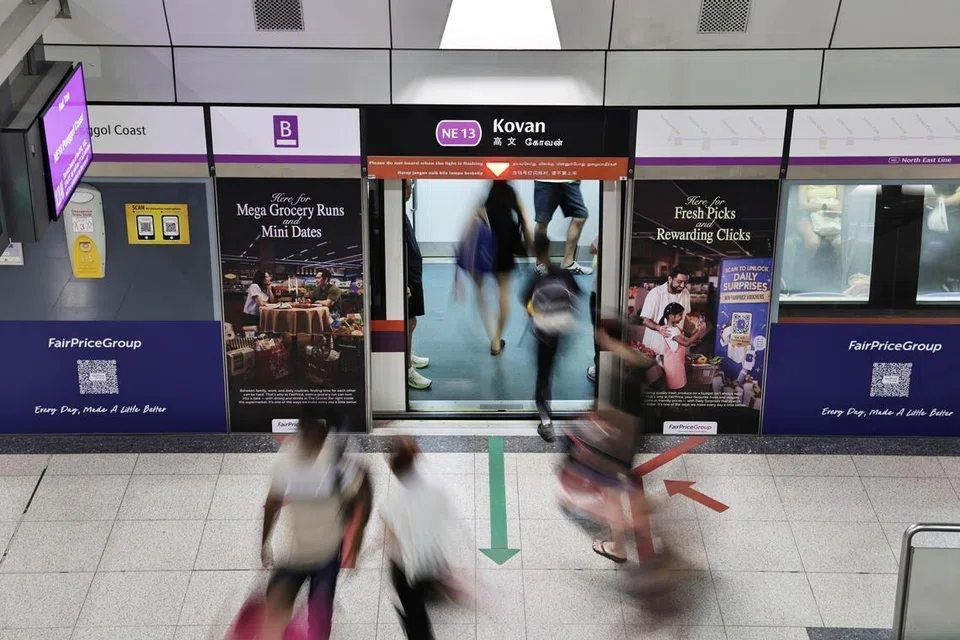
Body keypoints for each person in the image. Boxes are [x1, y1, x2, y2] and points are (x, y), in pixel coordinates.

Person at [259, 406, 372, 640]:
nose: (314, 442)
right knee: (275, 606)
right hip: (296, 553)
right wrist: (265, 543)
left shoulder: (336, 463)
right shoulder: (287, 464)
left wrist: (357, 540)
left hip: (327, 553)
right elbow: (271, 503)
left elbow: (364, 490)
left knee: (319, 619)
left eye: (318, 436)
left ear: (324, 434)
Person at [381, 437, 455, 640]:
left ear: (392, 468)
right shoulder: (435, 491)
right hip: (431, 560)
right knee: (421, 604)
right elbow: (445, 521)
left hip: (407, 571)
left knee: (415, 621)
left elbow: (390, 539)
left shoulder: (392, 502)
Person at [523, 231, 581, 442]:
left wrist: (535, 315)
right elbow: (576, 297)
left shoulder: (535, 279)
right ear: (550, 249)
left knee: (543, 375)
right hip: (559, 332)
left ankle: (546, 422)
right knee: (551, 368)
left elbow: (526, 304)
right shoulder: (563, 274)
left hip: (543, 335)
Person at [467, 181, 533, 356]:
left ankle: (490, 332)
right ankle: (496, 340)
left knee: (480, 291)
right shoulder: (513, 196)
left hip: (486, 251)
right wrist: (530, 246)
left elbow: (471, 223)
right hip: (506, 251)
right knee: (503, 294)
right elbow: (525, 221)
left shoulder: (486, 199)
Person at [402, 180, 432, 390]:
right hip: (407, 279)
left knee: (411, 323)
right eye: (409, 185)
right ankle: (406, 369)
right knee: (408, 322)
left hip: (413, 276)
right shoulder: (392, 214)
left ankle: (405, 354)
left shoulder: (401, 213)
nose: (411, 190)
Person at [639, 265, 703, 356]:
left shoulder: (686, 294)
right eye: (679, 282)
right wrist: (659, 328)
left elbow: (684, 317)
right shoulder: (655, 294)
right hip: (654, 347)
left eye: (685, 282)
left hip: (675, 350)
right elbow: (645, 320)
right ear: (670, 279)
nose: (682, 286)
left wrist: (693, 332)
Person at [533, 180, 593, 276]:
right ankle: (540, 262)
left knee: (580, 216)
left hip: (569, 177)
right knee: (542, 221)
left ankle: (568, 263)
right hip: (545, 178)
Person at [658, 302, 697, 390]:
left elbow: (688, 337)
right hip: (673, 365)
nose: (682, 317)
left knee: (681, 387)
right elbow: (685, 343)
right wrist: (700, 332)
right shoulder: (668, 330)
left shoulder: (676, 328)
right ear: (671, 316)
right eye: (680, 315)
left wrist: (698, 328)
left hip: (678, 363)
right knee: (675, 389)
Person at [587, 236, 599, 382]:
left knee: (598, 329)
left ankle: (599, 366)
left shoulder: (607, 230)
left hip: (599, 291)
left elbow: (591, 248)